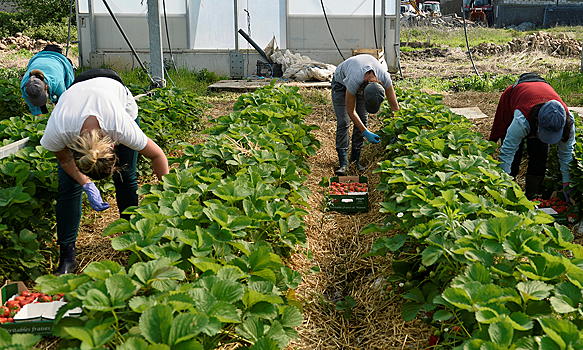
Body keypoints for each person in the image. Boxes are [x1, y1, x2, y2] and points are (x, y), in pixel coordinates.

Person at [40, 68, 169, 276]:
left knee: (126, 176)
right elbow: (65, 160)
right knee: (68, 187)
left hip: (113, 84)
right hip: (76, 91)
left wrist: (168, 192)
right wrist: (85, 182)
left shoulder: (121, 126)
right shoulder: (59, 129)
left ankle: (133, 234)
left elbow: (157, 156)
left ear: (113, 146)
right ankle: (67, 257)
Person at [489, 72, 575, 200]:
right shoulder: (521, 120)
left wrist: (567, 184)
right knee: (514, 159)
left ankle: (533, 196)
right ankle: (509, 195)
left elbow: (566, 154)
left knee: (540, 156)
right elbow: (507, 153)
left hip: (540, 97)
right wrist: (501, 187)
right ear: (537, 122)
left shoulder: (567, 121)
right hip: (517, 96)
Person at [331, 54, 400, 176]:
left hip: (363, 80)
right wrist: (366, 132)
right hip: (341, 84)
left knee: (363, 119)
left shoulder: (385, 77)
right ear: (361, 93)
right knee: (344, 121)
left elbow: (394, 107)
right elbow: (351, 111)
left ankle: (355, 161)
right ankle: (343, 164)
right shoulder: (353, 81)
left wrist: (397, 130)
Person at [21, 45, 75, 116]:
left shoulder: (57, 82)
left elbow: (65, 103)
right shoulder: (25, 87)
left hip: (58, 59)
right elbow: (34, 109)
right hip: (38, 58)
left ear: (46, 86)